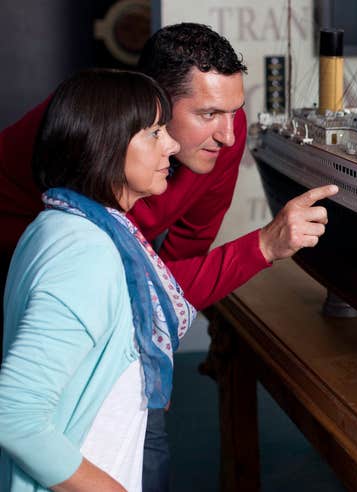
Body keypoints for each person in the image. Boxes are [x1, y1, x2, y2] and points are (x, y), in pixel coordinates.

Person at [0, 23, 337, 491]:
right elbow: (15, 411)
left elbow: (167, 277)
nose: (228, 134)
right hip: (48, 261)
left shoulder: (212, 140)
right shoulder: (78, 234)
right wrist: (263, 246)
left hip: (101, 265)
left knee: (136, 426)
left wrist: (155, 355)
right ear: (144, 108)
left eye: (235, 113)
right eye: (208, 114)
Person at [0, 68, 187, 491]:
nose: (172, 145)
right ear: (106, 143)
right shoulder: (85, 252)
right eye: (155, 132)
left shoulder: (59, 224)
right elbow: (14, 411)